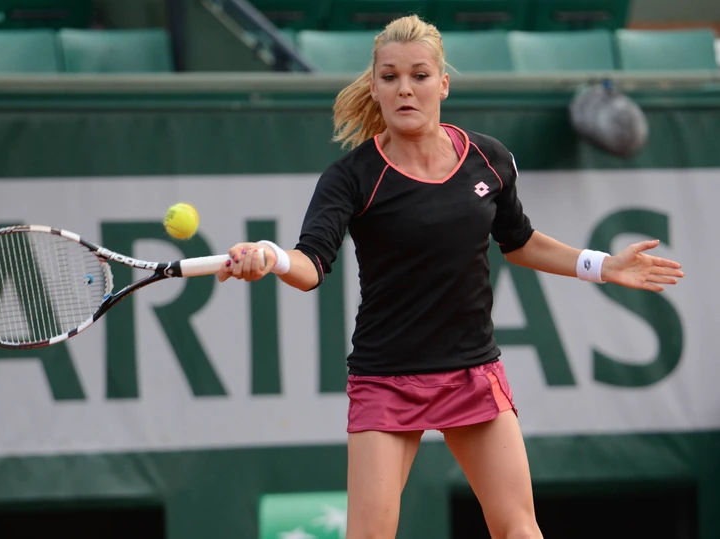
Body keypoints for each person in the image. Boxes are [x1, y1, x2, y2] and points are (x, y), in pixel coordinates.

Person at [217, 15, 685, 539]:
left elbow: (520, 242)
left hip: (471, 371)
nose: (405, 89)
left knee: (519, 530)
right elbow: (311, 265)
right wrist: (272, 257)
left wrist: (602, 265)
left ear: (442, 84)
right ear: (374, 87)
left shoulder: (489, 159)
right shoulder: (351, 178)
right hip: (387, 378)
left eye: (419, 75)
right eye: (390, 77)